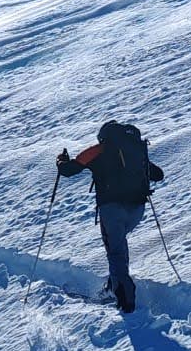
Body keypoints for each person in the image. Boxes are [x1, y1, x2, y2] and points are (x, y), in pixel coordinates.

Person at [56, 121, 165, 312]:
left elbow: (68, 170)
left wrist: (60, 160)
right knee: (118, 248)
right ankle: (112, 287)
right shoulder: (135, 151)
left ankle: (125, 300)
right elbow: (158, 174)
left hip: (112, 209)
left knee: (115, 251)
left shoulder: (99, 150)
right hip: (137, 209)